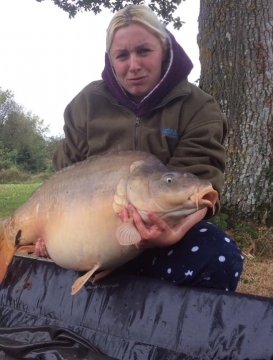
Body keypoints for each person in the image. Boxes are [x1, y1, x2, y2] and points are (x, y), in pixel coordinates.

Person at [52, 4, 244, 291]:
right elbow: (62, 178)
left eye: (144, 51)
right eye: (122, 55)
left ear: (165, 48)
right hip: (94, 238)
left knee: (221, 255)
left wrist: (172, 234)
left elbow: (196, 187)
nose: (134, 65)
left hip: (168, 240)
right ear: (110, 60)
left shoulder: (198, 107)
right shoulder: (86, 105)